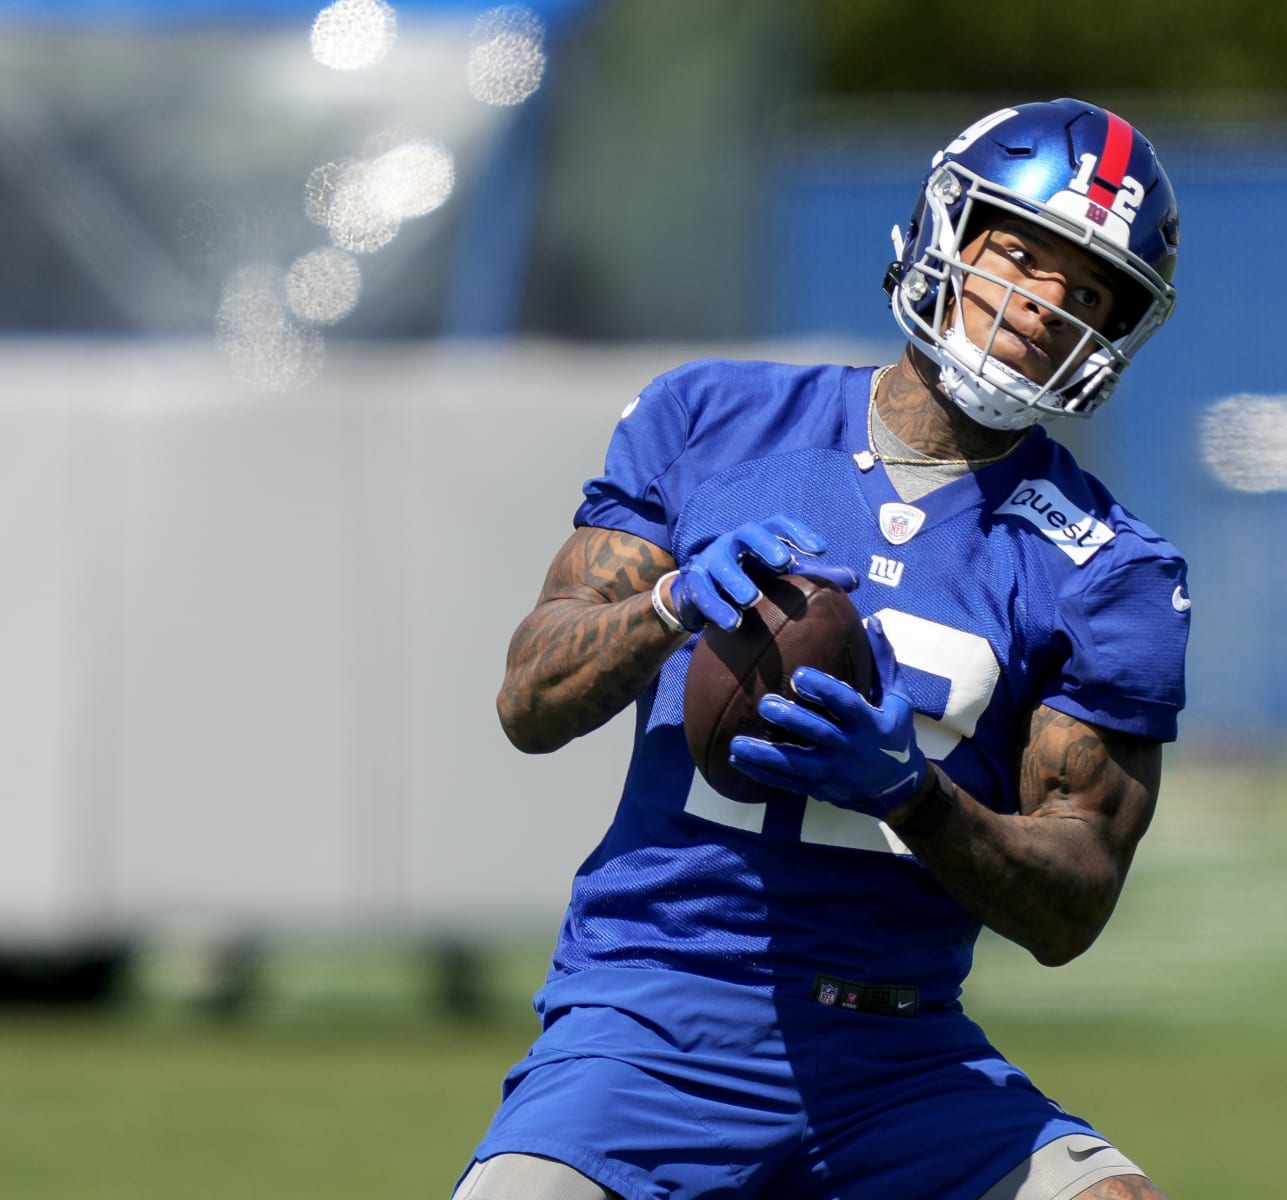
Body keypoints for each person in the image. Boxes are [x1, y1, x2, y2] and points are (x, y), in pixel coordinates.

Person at [455, 97, 1192, 1200]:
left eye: (1087, 292)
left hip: (899, 1057)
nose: (1045, 306)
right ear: (947, 231)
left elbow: (1071, 904)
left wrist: (915, 795)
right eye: (1023, 257)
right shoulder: (711, 417)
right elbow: (528, 698)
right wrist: (666, 606)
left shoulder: (1109, 564)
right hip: (651, 1019)